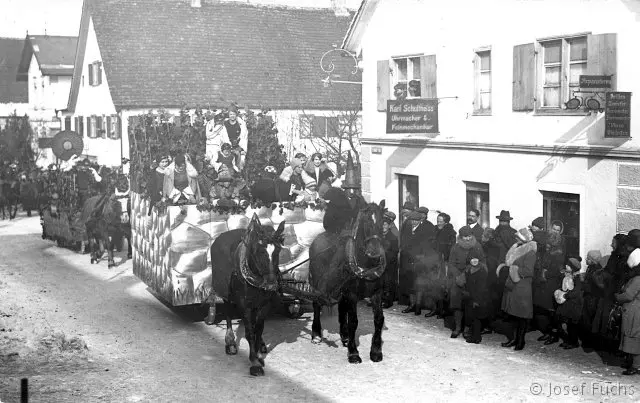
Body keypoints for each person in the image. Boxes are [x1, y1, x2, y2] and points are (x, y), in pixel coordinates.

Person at [500, 227, 536, 351]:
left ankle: (520, 341)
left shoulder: (530, 252)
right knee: (514, 315)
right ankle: (514, 339)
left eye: (518, 237)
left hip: (522, 286)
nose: (515, 239)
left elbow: (528, 271)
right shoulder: (517, 248)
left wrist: (513, 269)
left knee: (521, 316)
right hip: (513, 285)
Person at [447, 225, 485, 338]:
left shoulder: (477, 246)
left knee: (469, 306)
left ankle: (467, 329)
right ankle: (458, 327)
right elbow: (451, 263)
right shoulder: (456, 247)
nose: (467, 239)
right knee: (457, 305)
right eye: (465, 237)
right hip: (458, 279)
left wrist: (474, 272)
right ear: (460, 237)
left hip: (472, 279)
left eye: (469, 236)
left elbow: (482, 261)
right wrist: (458, 276)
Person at [615, 229, 640, 375]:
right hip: (634, 310)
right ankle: (633, 363)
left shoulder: (637, 279)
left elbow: (629, 295)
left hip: (634, 311)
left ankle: (636, 366)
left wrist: (618, 297)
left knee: (633, 338)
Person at [554, 257, 584, 350]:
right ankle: (569, 340)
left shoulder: (578, 278)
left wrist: (566, 295)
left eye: (568, 265)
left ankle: (574, 342)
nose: (566, 266)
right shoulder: (569, 275)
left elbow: (576, 292)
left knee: (572, 325)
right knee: (568, 324)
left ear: (573, 267)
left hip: (574, 304)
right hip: (569, 304)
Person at [463, 248, 491, 344]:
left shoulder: (482, 270)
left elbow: (481, 288)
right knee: (472, 317)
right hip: (471, 297)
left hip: (479, 298)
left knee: (477, 318)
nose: (474, 260)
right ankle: (473, 335)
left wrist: (477, 300)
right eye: (472, 259)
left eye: (476, 258)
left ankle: (476, 337)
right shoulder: (468, 269)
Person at [381, 211, 400, 308]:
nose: (383, 226)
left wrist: (386, 258)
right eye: (382, 224)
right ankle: (381, 299)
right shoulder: (379, 236)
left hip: (389, 264)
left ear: (389, 226)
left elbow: (395, 251)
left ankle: (388, 301)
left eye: (385, 224)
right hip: (380, 264)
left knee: (389, 282)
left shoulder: (393, 237)